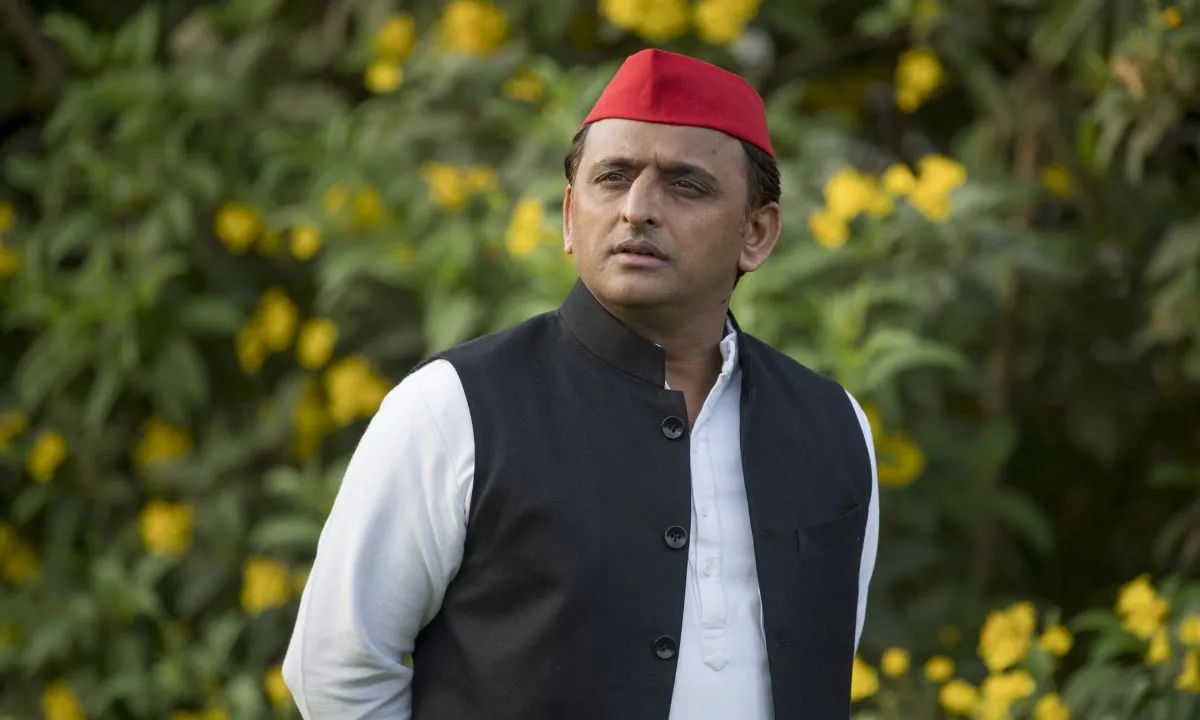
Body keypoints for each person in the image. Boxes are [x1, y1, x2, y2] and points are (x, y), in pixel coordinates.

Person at [282, 48, 880, 720]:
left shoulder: (832, 425)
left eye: (686, 185)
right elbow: (337, 670)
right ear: (570, 216)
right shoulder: (453, 408)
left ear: (758, 233)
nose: (637, 209)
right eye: (613, 178)